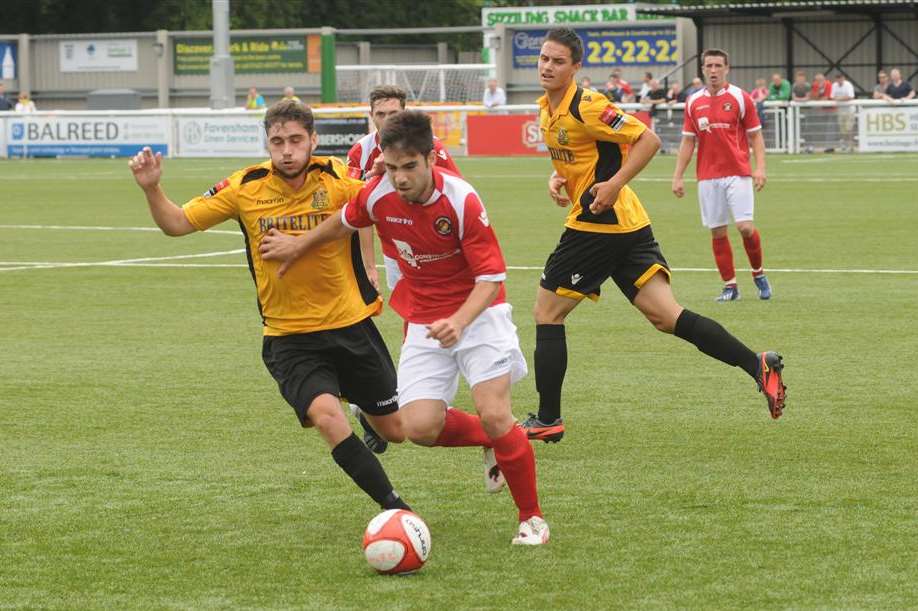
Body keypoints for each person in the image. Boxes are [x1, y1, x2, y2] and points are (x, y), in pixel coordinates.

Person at [260, 110, 549, 546]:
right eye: (392, 167)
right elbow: (343, 221)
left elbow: (491, 279)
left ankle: (532, 520)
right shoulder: (378, 194)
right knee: (418, 428)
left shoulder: (462, 200)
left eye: (409, 166)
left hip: (479, 315)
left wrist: (460, 320)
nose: (399, 178)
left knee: (494, 411)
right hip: (425, 322)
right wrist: (296, 247)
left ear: (432, 159)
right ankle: (495, 440)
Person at [127, 100, 413, 517]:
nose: (287, 150)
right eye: (277, 141)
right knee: (328, 418)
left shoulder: (338, 179)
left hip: (351, 326)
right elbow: (176, 224)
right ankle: (396, 509)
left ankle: (375, 416)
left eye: (296, 140)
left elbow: (385, 203)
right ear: (268, 143)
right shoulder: (246, 187)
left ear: (313, 141)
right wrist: (153, 188)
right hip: (289, 338)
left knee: (398, 430)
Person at [526, 29, 786, 443]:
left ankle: (547, 419)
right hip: (629, 223)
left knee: (547, 313)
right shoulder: (546, 107)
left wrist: (611, 185)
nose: (547, 67)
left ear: (576, 68)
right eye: (543, 59)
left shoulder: (588, 104)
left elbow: (648, 139)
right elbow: (586, 155)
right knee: (667, 316)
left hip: (599, 223)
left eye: (558, 61)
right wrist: (561, 177)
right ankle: (758, 365)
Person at [672, 48, 772, 304]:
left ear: (727, 68)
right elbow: (687, 142)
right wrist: (678, 176)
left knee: (745, 227)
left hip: (738, 172)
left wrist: (760, 167)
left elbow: (755, 136)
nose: (713, 71)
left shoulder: (741, 97)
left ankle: (758, 274)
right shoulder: (693, 102)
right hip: (707, 176)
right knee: (717, 232)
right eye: (709, 66)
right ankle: (730, 286)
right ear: (703, 69)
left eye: (718, 66)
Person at [347, 84, 461, 291]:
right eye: (380, 114)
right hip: (396, 248)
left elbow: (458, 195)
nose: (387, 120)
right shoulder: (360, 153)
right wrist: (370, 267)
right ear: (371, 115)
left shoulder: (431, 147)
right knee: (409, 308)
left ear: (404, 113)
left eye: (393, 113)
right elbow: (360, 214)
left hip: (435, 243)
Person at [830, 73, 856, 151]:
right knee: (842, 129)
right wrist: (841, 98)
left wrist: (839, 99)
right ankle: (844, 145)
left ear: (843, 78)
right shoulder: (834, 85)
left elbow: (850, 96)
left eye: (840, 78)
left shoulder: (848, 85)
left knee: (849, 129)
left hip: (849, 110)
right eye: (837, 78)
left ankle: (851, 146)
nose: (839, 80)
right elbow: (832, 97)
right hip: (840, 110)